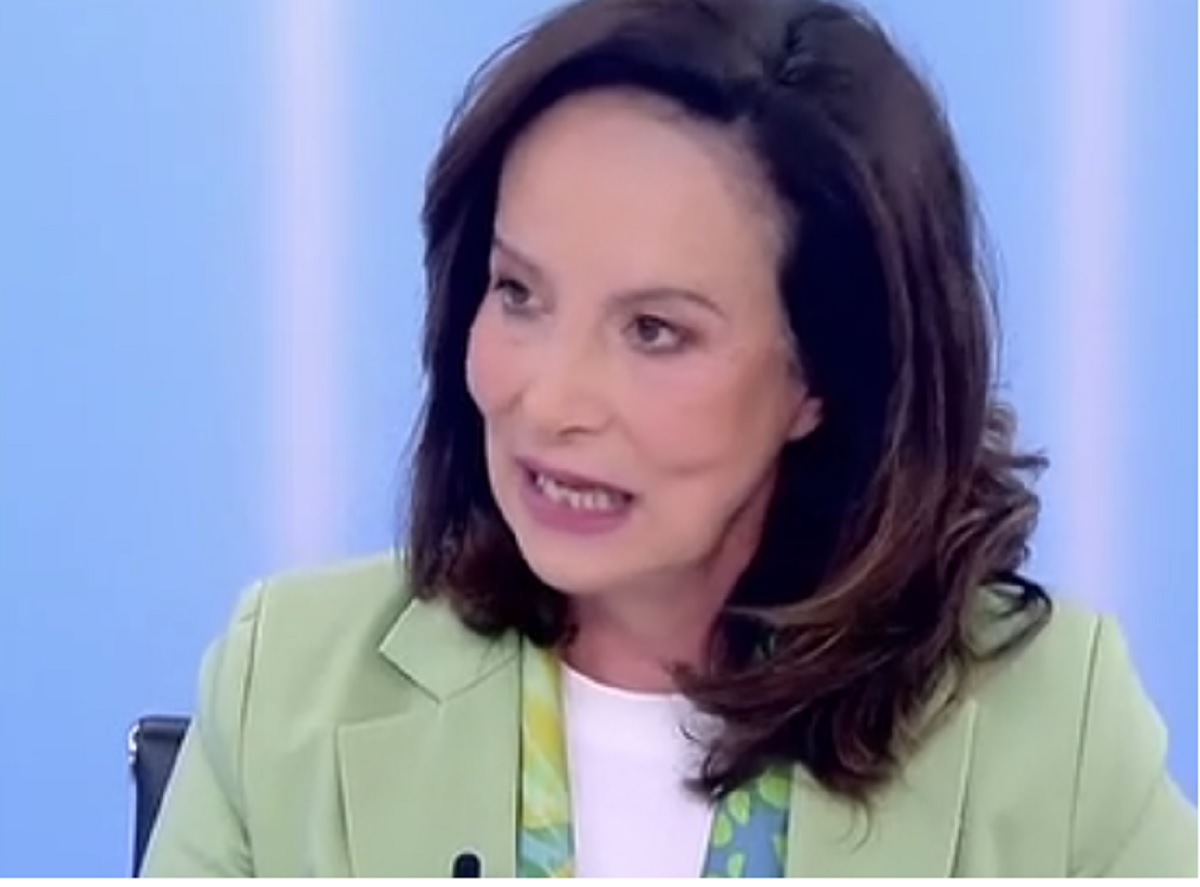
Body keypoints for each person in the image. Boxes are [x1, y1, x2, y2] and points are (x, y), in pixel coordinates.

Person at [141, 0, 1197, 877]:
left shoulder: (1050, 727)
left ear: (823, 378)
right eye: (518, 293)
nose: (552, 400)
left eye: (654, 330)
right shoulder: (286, 687)